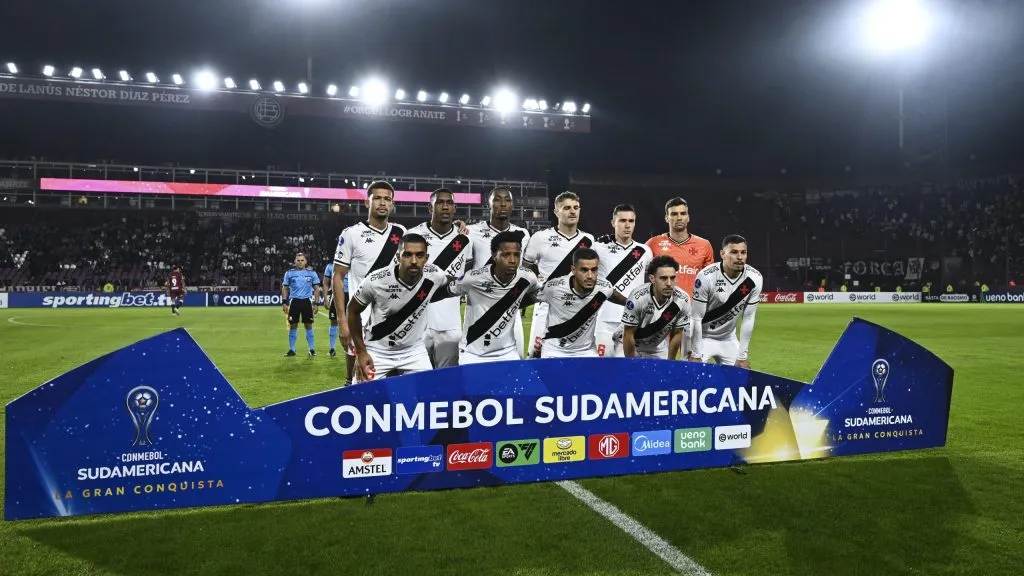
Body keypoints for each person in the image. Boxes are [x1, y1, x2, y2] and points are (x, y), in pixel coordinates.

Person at [347, 234, 451, 382]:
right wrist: (361, 352)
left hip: (413, 350)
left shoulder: (435, 275)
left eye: (419, 255)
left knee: (427, 395)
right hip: (378, 350)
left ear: (426, 258)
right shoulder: (375, 281)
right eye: (407, 255)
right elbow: (352, 311)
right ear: (397, 257)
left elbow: (452, 284)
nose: (414, 261)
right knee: (360, 396)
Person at [332, 180, 407, 383]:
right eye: (377, 198)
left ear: (392, 204)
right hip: (361, 319)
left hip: (394, 318)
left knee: (394, 381)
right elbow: (337, 276)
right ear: (367, 203)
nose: (382, 203)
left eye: (387, 199)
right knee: (360, 381)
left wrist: (459, 227)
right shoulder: (351, 234)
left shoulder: (401, 233)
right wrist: (342, 321)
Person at [443, 231, 541, 364]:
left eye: (517, 255)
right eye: (506, 255)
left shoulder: (528, 277)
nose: (512, 260)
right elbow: (445, 290)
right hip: (473, 353)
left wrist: (513, 304)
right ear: (494, 255)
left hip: (508, 352)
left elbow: (537, 294)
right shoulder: (473, 278)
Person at [523, 191, 594, 357]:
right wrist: (538, 283)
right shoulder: (540, 238)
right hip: (547, 307)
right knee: (536, 355)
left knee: (576, 357)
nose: (572, 211)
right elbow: (525, 268)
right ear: (556, 212)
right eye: (567, 207)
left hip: (578, 306)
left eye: (576, 207)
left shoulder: (589, 240)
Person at [408, 188, 473, 368]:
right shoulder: (413, 235)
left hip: (450, 324)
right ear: (430, 208)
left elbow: (467, 273)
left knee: (447, 385)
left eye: (449, 203)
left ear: (455, 208)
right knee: (418, 384)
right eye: (440, 203)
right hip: (417, 324)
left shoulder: (465, 239)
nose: (445, 207)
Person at [466, 186, 532, 358]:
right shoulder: (471, 232)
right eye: (497, 199)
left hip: (510, 310)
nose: (502, 204)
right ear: (488, 204)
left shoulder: (522, 234)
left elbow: (524, 272)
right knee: (476, 364)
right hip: (478, 310)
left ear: (512, 205)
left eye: (507, 200)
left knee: (516, 363)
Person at [534, 247, 627, 358]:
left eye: (594, 270)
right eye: (584, 270)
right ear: (573, 270)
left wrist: (636, 304)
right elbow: (528, 298)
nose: (590, 276)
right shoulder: (554, 288)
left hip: (587, 351)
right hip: (555, 351)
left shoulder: (604, 287)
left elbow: (615, 296)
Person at [689, 235, 762, 368]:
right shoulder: (706, 277)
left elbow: (749, 318)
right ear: (723, 254)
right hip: (702, 337)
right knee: (692, 378)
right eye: (734, 252)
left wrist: (742, 356)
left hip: (728, 338)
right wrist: (695, 354)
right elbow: (696, 318)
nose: (740, 257)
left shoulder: (754, 278)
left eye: (743, 252)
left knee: (743, 377)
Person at [593, 204, 652, 357]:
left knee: (627, 369)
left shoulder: (644, 251)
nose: (627, 225)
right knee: (602, 369)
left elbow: (650, 282)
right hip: (604, 318)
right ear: (613, 222)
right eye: (622, 220)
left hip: (631, 321)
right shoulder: (599, 247)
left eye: (631, 221)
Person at [620, 256, 691, 359]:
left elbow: (677, 333)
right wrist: (632, 363)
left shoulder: (682, 299)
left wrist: (669, 363)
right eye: (663, 278)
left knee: (663, 374)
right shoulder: (638, 297)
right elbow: (628, 334)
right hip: (626, 342)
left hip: (657, 347)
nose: (669, 283)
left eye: (672, 278)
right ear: (652, 279)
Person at [645, 197, 715, 297]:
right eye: (674, 214)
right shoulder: (653, 244)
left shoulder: (704, 245)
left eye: (683, 213)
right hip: (661, 308)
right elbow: (643, 276)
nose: (679, 218)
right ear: (666, 218)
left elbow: (710, 281)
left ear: (688, 217)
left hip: (693, 308)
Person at [281, 253, 322, 357]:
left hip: (306, 301)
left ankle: (312, 349)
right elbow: (284, 288)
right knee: (293, 325)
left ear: (305, 261)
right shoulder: (289, 273)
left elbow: (317, 288)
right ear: (295, 262)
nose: (300, 262)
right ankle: (292, 349)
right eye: (298, 260)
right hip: (294, 301)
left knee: (308, 325)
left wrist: (316, 303)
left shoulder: (312, 273)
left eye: (302, 260)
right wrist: (284, 302)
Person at [322, 262, 344, 357]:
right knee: (334, 321)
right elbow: (325, 283)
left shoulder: (353, 262)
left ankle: (352, 349)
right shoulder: (330, 266)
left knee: (352, 321)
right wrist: (326, 298)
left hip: (351, 294)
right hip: (335, 295)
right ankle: (332, 348)